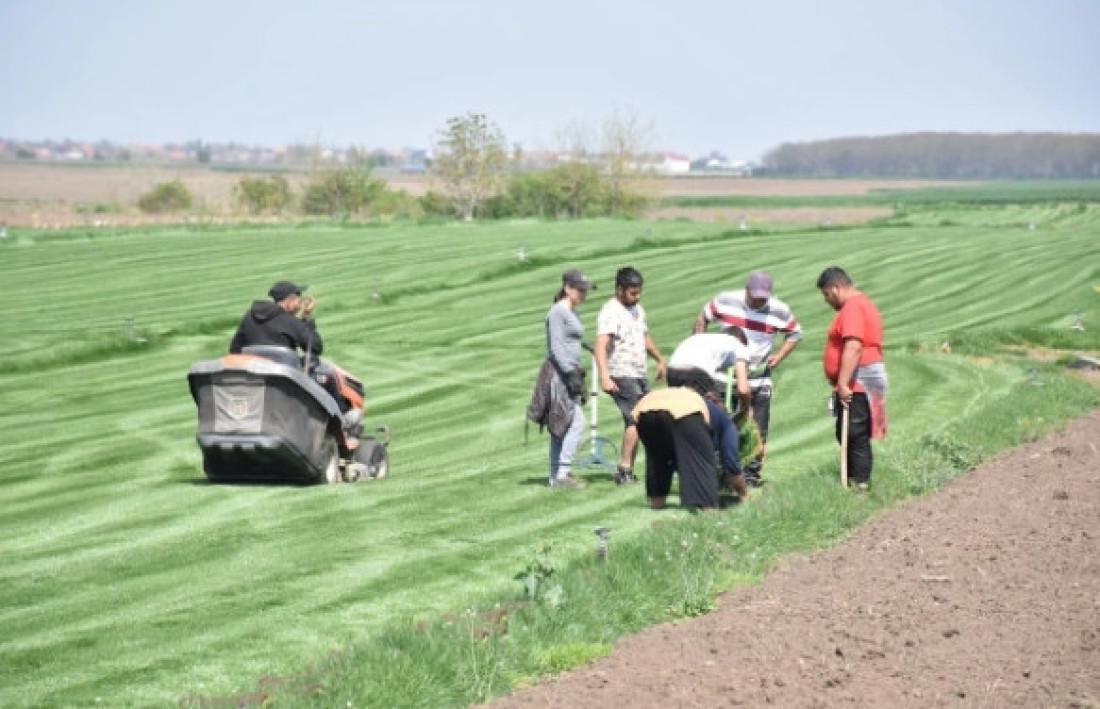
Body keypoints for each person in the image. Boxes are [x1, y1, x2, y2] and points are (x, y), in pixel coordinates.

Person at [692, 271, 802, 485]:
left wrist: (779, 355)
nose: (759, 301)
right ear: (746, 291)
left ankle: (751, 474)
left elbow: (795, 333)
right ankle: (719, 471)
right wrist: (701, 344)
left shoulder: (779, 310)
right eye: (755, 297)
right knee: (719, 424)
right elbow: (702, 317)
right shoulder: (726, 300)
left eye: (764, 297)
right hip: (724, 378)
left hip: (758, 379)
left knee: (755, 427)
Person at [632, 370, 748, 510]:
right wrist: (744, 495)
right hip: (686, 410)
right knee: (702, 461)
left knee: (658, 459)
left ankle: (657, 504)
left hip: (644, 411)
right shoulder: (726, 422)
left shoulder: (678, 394)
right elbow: (731, 463)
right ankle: (708, 509)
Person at [817, 266, 888, 491]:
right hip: (860, 379)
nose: (827, 301)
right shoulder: (861, 304)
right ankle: (854, 480)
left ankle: (860, 485)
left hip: (859, 380)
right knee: (850, 432)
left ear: (835, 288)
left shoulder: (853, 308)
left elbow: (854, 346)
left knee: (854, 433)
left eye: (826, 295)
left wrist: (843, 383)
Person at [595, 267, 667, 485]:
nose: (637, 296)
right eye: (632, 293)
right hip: (620, 372)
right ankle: (624, 470)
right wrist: (605, 377)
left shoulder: (638, 309)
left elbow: (643, 336)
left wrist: (660, 359)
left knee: (644, 419)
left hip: (638, 372)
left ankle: (629, 469)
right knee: (635, 418)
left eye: (639, 292)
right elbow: (600, 346)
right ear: (619, 289)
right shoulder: (610, 312)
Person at [540, 269, 596, 489]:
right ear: (568, 288)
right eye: (580, 290)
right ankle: (563, 472)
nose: (584, 294)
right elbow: (556, 346)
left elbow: (570, 339)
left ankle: (555, 476)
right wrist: (570, 372)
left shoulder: (573, 313)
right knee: (576, 421)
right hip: (558, 375)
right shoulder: (557, 312)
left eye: (586, 290)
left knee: (560, 424)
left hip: (569, 372)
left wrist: (588, 346)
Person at [667, 326, 753, 420]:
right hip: (695, 373)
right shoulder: (740, 347)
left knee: (685, 414)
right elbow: (743, 390)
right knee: (718, 418)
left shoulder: (710, 340)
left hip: (672, 371)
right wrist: (746, 410)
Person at [229, 280, 322, 357]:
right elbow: (315, 348)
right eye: (298, 300)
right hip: (282, 377)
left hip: (253, 375)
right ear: (290, 300)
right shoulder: (291, 322)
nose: (300, 305)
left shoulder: (249, 316)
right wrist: (306, 317)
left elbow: (235, 349)